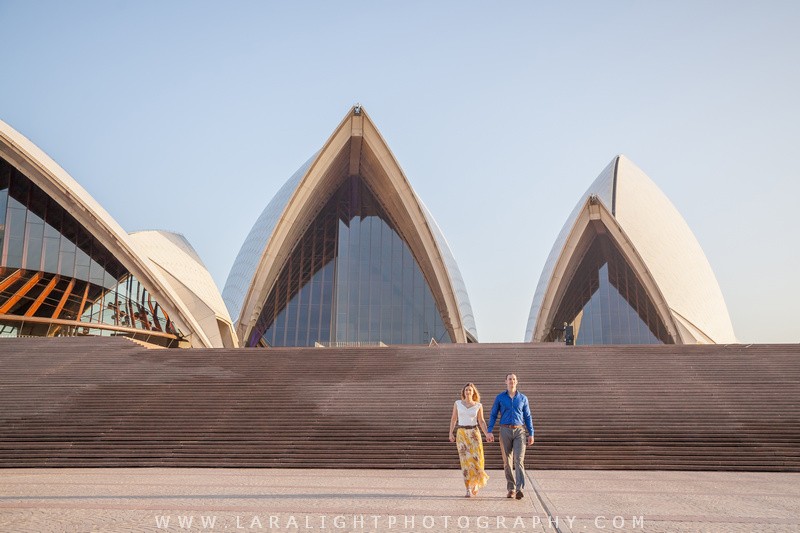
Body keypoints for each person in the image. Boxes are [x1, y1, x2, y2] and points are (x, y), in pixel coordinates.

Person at [487, 373, 534, 500]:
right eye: (509, 379)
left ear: (517, 382)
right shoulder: (500, 398)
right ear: (505, 382)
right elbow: (493, 414)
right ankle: (511, 488)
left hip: (519, 431)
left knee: (519, 460)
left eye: (514, 379)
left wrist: (531, 433)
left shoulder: (523, 398)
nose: (512, 381)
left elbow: (528, 416)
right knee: (507, 462)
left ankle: (519, 489)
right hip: (504, 430)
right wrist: (489, 431)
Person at [448, 382, 490, 497]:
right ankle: (467, 488)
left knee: (477, 459)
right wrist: (451, 433)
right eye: (466, 390)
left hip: (474, 434)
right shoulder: (457, 403)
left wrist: (487, 433)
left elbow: (481, 421)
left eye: (470, 390)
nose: (468, 392)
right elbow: (453, 419)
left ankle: (476, 483)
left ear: (473, 392)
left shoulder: (478, 405)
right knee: (465, 461)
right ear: (463, 392)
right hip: (462, 434)